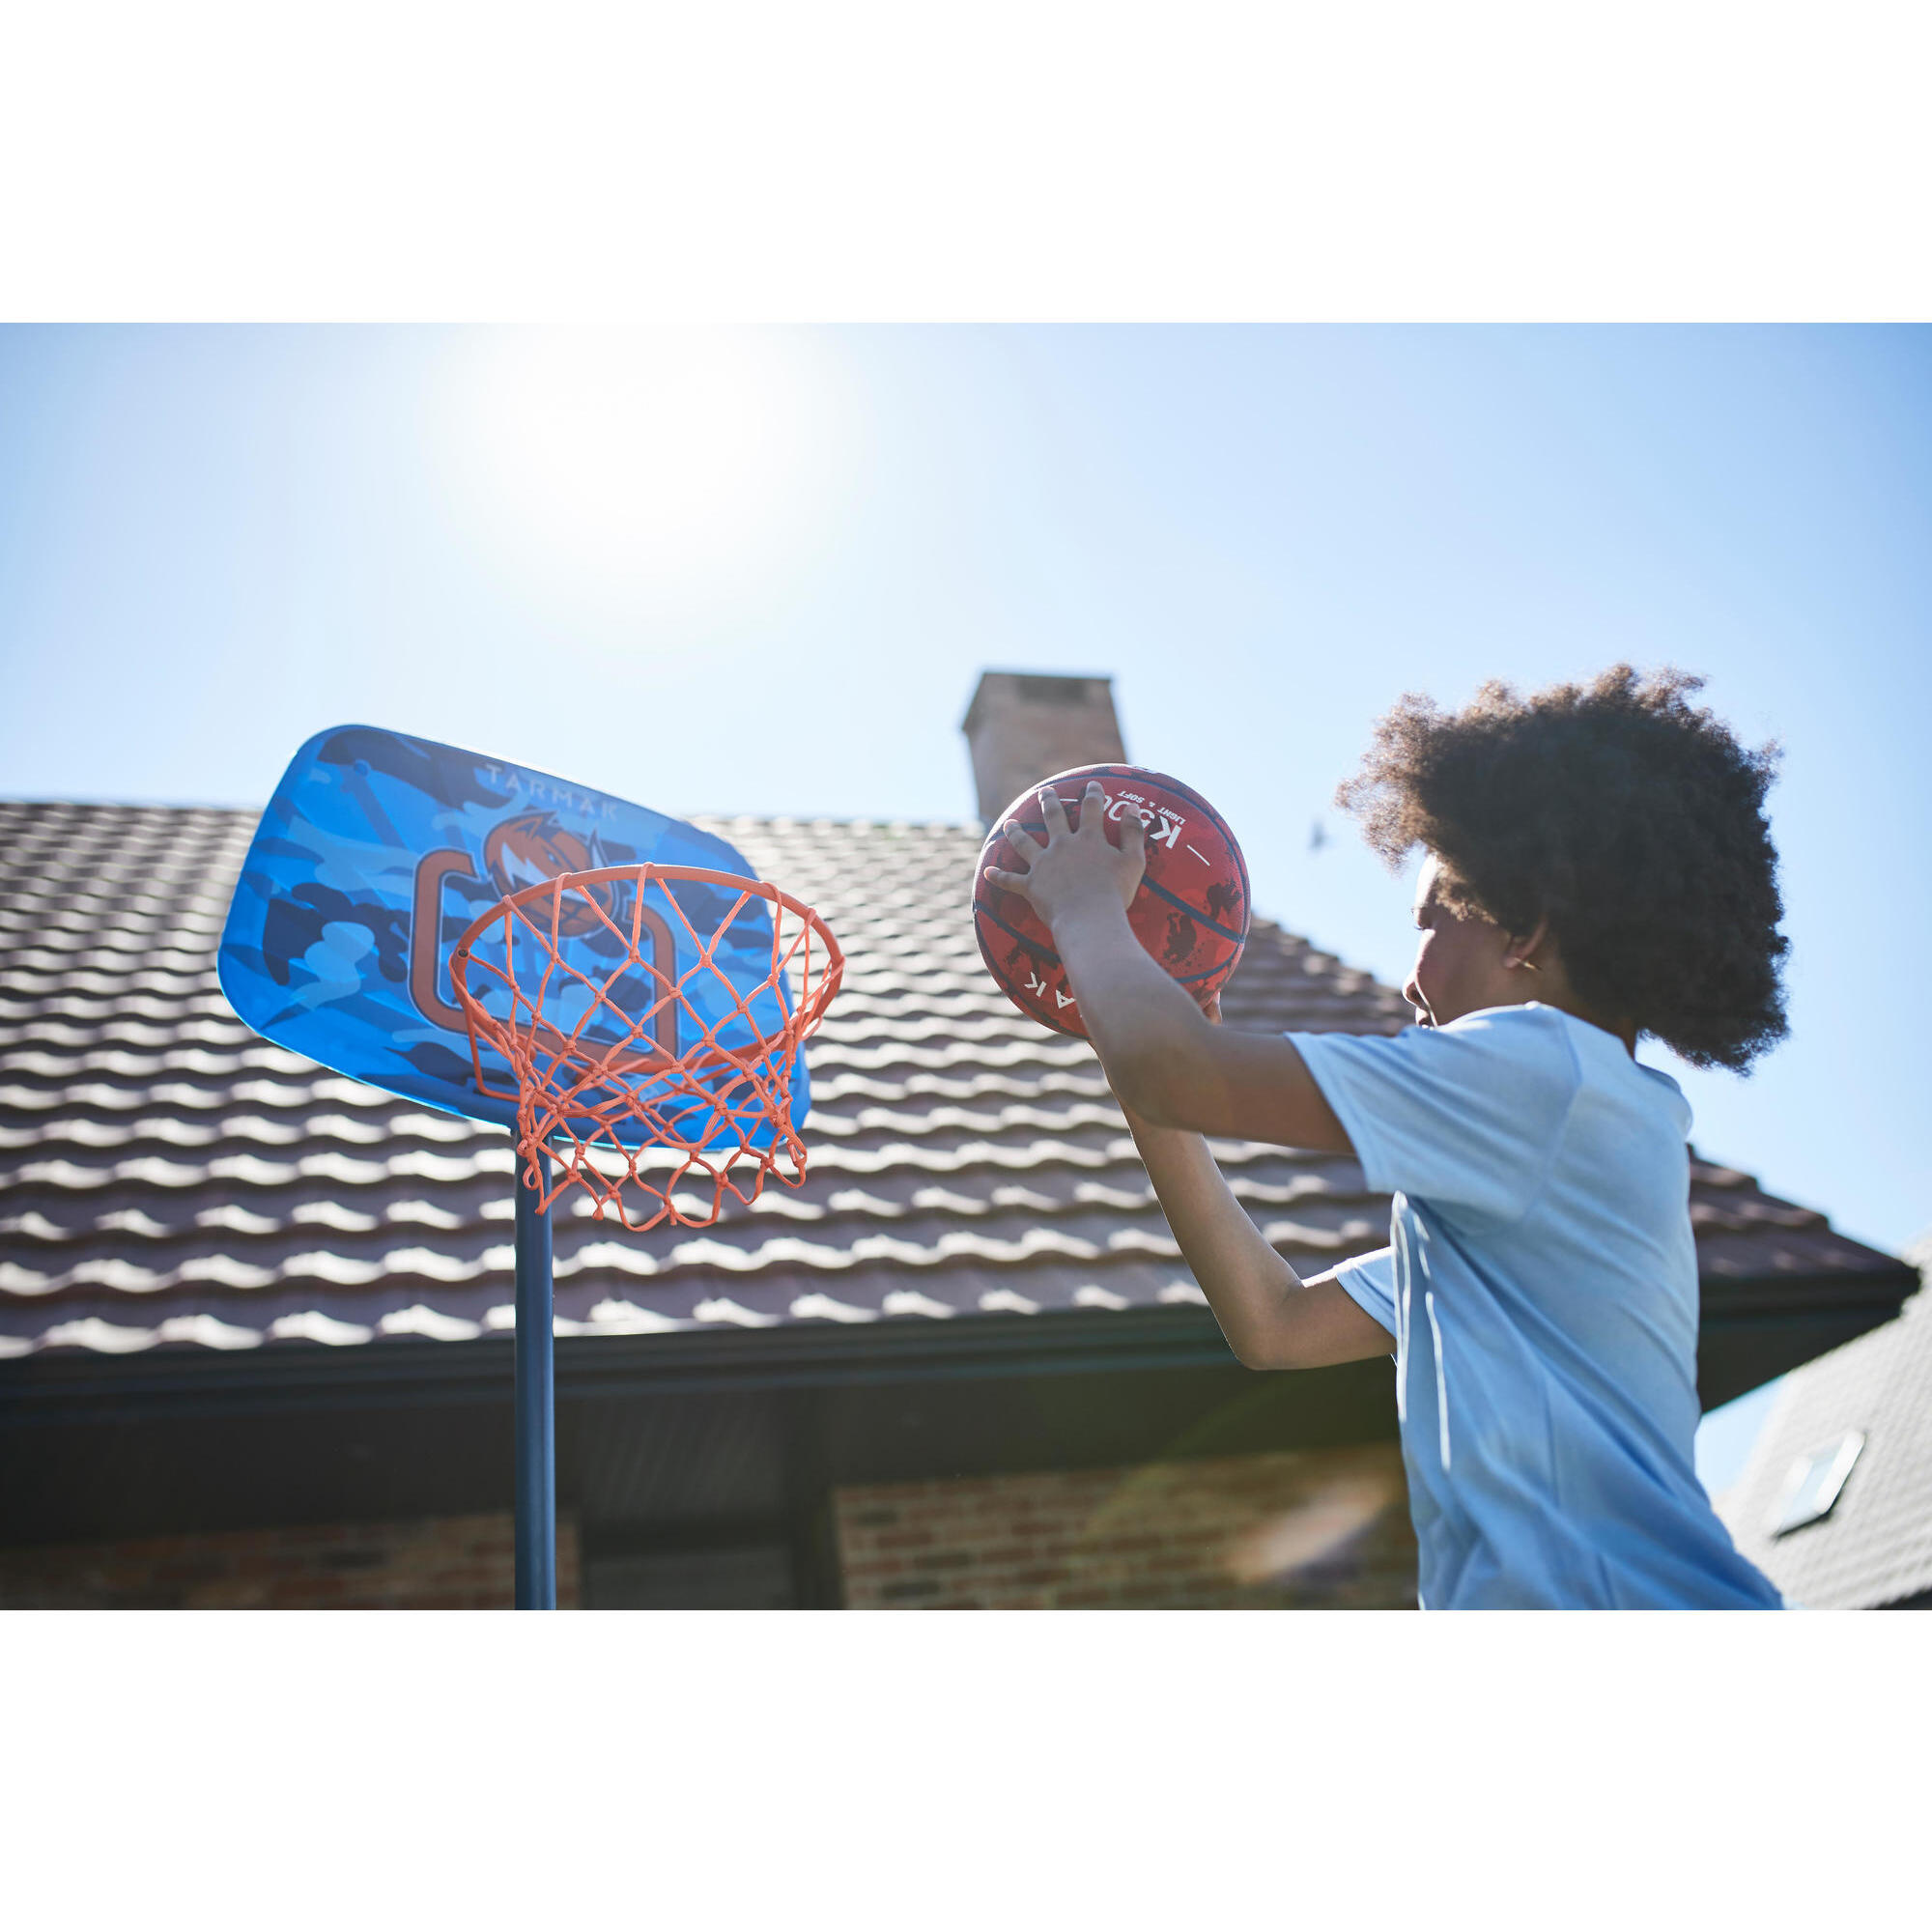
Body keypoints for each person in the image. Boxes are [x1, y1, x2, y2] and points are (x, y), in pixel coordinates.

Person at [984, 667, 1786, 1609]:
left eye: (1428, 920)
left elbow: (1176, 1067)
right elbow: (1272, 1322)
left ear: (1523, 929)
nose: (1408, 976)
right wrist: (1146, 1065)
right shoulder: (1513, 1186)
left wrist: (1084, 906)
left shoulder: (1539, 1076)